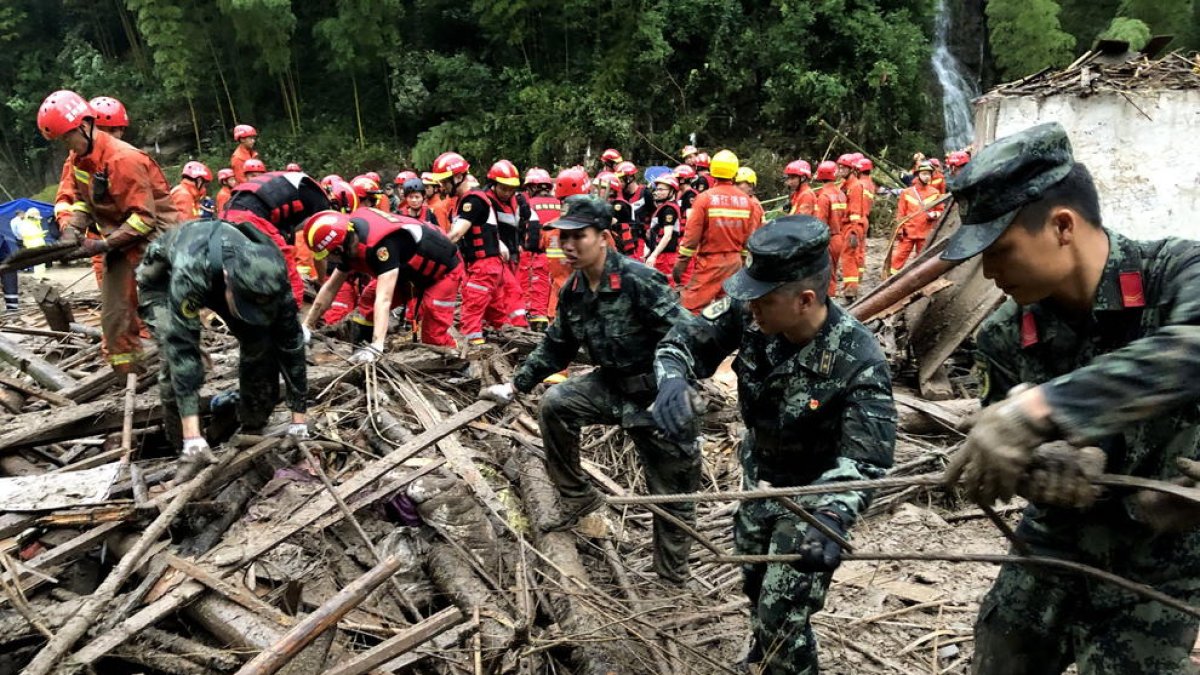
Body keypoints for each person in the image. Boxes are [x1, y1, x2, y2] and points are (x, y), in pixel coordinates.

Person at [942, 121, 1200, 675]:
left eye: (1001, 250)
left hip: (1160, 562)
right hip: (1052, 547)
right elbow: (1008, 444)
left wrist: (1040, 411)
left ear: (1062, 225)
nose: (988, 272)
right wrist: (1041, 464)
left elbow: (1193, 348)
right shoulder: (1005, 334)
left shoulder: (1178, 273)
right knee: (1001, 656)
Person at [653, 215, 896, 674]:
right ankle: (764, 657)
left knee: (784, 616)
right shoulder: (752, 314)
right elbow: (680, 343)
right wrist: (671, 380)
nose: (751, 309)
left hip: (812, 501)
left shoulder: (858, 360)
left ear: (805, 300)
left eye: (762, 300)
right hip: (757, 481)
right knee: (756, 588)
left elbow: (866, 460)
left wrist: (832, 513)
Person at [480, 197, 700, 584]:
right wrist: (515, 385)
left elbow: (690, 335)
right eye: (563, 237)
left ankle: (671, 579)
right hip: (613, 385)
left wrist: (677, 382)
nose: (567, 246)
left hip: (659, 393)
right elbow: (555, 346)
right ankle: (577, 496)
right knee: (557, 403)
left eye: (578, 236)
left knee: (672, 497)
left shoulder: (639, 280)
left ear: (603, 237)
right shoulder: (575, 289)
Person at [136, 219, 308, 474]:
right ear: (228, 281)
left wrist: (299, 419)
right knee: (177, 362)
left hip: (225, 279)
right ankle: (185, 444)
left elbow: (291, 343)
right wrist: (193, 438)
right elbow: (182, 349)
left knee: (260, 343)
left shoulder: (273, 275)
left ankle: (252, 425)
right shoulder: (191, 272)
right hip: (162, 283)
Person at [38, 90, 179, 374]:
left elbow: (143, 219)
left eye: (68, 137)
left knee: (159, 312)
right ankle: (129, 377)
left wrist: (100, 246)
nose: (67, 144)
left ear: (85, 125)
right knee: (114, 318)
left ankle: (191, 370)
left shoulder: (123, 159)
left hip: (157, 240)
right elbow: (83, 199)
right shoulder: (80, 158)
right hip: (119, 240)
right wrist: (73, 230)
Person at [302, 207, 464, 355]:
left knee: (433, 335)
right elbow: (331, 288)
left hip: (443, 272)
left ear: (338, 248)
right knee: (368, 302)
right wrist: (307, 325)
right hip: (407, 272)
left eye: (329, 255)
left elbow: (384, 299)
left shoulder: (381, 245)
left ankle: (459, 362)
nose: (329, 259)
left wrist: (377, 345)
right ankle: (360, 352)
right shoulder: (349, 241)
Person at [437, 152, 527, 344]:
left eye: (444, 181)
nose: (441, 186)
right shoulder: (469, 200)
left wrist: (432, 249)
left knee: (471, 314)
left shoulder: (473, 202)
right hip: (487, 266)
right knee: (496, 315)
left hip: (483, 268)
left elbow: (455, 234)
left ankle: (474, 353)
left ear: (458, 177)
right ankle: (513, 346)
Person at [221, 171, 332, 307]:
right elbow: (319, 252)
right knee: (287, 274)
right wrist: (321, 281)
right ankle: (293, 320)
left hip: (226, 215)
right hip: (251, 216)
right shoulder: (320, 203)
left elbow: (285, 234)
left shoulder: (295, 191)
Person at [673, 149, 762, 313]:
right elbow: (748, 239)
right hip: (734, 262)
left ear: (713, 171)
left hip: (710, 263)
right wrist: (741, 261)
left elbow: (691, 237)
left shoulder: (705, 198)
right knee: (728, 310)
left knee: (690, 308)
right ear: (734, 173)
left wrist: (681, 263)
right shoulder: (746, 201)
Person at [521, 168, 561, 331]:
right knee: (556, 287)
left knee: (538, 286)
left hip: (540, 253)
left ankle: (538, 320)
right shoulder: (560, 203)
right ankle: (554, 318)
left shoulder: (529, 205)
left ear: (532, 187)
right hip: (561, 254)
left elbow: (531, 233)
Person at [889, 161, 944, 275]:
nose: (926, 176)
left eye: (928, 174)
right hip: (908, 232)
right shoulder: (907, 192)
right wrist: (899, 229)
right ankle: (890, 280)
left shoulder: (935, 193)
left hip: (925, 233)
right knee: (898, 258)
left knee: (922, 261)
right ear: (918, 174)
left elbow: (941, 210)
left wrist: (935, 215)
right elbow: (901, 213)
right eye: (924, 174)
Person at [812, 160, 848, 298]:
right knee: (832, 271)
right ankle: (830, 296)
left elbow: (820, 223)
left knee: (826, 272)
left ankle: (828, 298)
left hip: (828, 238)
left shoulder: (824, 196)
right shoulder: (841, 194)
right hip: (839, 236)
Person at [841, 158, 874, 301]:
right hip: (859, 222)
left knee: (849, 256)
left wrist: (854, 230)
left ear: (853, 170)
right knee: (856, 254)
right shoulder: (851, 184)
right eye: (840, 168)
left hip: (853, 224)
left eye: (843, 168)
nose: (840, 171)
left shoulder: (855, 186)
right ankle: (856, 280)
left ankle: (851, 288)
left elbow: (855, 210)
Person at [644, 174, 684, 284]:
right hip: (661, 255)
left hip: (666, 257)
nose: (657, 192)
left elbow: (667, 236)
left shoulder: (669, 210)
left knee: (665, 288)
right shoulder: (664, 207)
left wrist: (653, 255)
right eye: (657, 189)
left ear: (672, 191)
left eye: (661, 189)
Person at [11, 207, 48, 278]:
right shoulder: (25, 224)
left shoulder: (35, 222)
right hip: (33, 244)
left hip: (39, 243)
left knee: (42, 261)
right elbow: (24, 234)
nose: (37, 219)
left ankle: (41, 275)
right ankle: (38, 276)